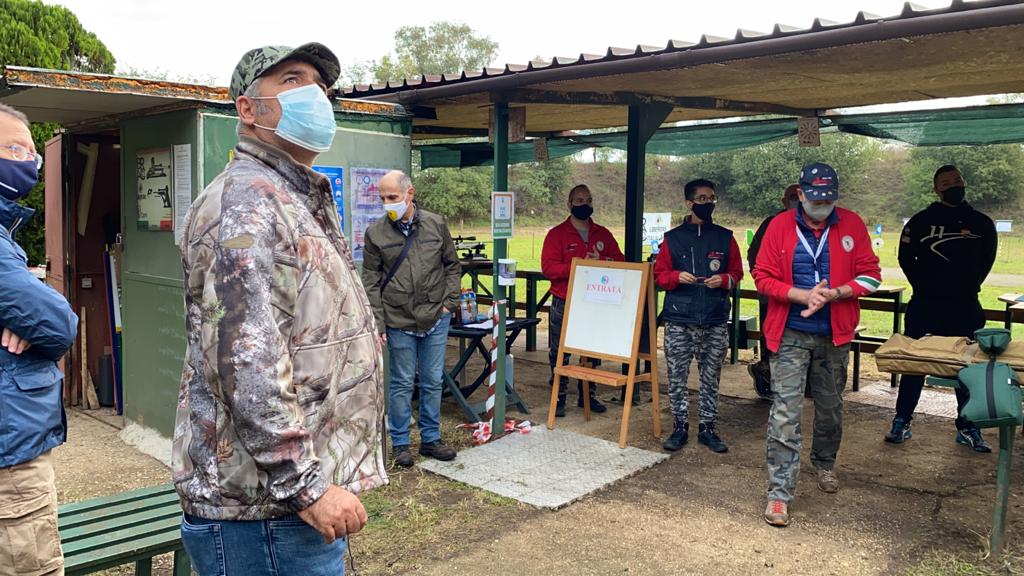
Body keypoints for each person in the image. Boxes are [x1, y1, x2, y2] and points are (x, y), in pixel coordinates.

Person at [173, 44, 386, 576]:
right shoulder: (245, 204)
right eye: (292, 80)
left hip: (279, 510)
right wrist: (305, 486)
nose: (315, 94)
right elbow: (244, 361)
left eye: (321, 85)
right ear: (248, 109)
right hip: (263, 515)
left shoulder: (288, 198)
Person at [753, 162, 881, 527]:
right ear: (800, 194)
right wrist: (801, 295)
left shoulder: (852, 224)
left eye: (828, 200)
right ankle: (779, 493)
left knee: (830, 407)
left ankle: (824, 463)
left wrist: (836, 293)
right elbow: (761, 276)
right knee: (785, 412)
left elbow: (871, 276)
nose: (822, 206)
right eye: (815, 199)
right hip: (790, 332)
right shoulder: (779, 226)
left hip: (834, 334)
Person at [0, 102, 79, 576]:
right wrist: (32, 315)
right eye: (14, 149)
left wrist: (23, 313)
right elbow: (58, 324)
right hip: (9, 463)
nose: (29, 161)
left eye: (31, 153)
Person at [884, 165, 997, 452]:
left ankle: (967, 426)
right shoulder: (920, 222)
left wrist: (967, 285)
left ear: (964, 182)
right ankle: (902, 420)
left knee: (966, 366)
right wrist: (926, 287)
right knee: (914, 364)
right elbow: (905, 259)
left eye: (957, 180)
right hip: (925, 306)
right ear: (936, 189)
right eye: (946, 183)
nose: (953, 186)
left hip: (965, 307)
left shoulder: (982, 223)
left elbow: (987, 260)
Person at [362, 170, 461, 468]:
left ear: (410, 193)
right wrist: (379, 322)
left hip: (435, 316)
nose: (387, 204)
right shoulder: (375, 233)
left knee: (432, 380)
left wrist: (449, 304)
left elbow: (452, 265)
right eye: (382, 198)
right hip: (398, 318)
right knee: (402, 382)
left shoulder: (436, 224)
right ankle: (401, 443)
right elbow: (370, 281)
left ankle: (431, 439)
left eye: (392, 197)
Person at [654, 179, 743, 453]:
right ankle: (679, 427)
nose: (708, 203)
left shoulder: (725, 237)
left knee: (711, 377)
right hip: (679, 320)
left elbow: (737, 273)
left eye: (711, 198)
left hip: (714, 318)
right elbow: (659, 276)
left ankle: (708, 428)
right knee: (677, 377)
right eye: (702, 198)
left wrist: (724, 279)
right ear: (689, 203)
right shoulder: (672, 238)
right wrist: (675, 276)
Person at [541, 184, 625, 417]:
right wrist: (579, 265)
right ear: (569, 204)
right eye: (579, 201)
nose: (584, 204)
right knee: (560, 351)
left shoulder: (603, 234)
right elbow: (549, 268)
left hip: (595, 302)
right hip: (565, 300)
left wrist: (603, 261)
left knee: (591, 350)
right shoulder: (557, 234)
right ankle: (559, 396)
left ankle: (587, 395)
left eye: (588, 200)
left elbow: (621, 261)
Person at [747, 184, 802, 399]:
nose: (797, 200)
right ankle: (765, 373)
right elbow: (754, 254)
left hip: (800, 297)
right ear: (784, 201)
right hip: (772, 296)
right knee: (772, 341)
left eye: (801, 196)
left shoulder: (813, 224)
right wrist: (764, 282)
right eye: (793, 196)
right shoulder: (771, 223)